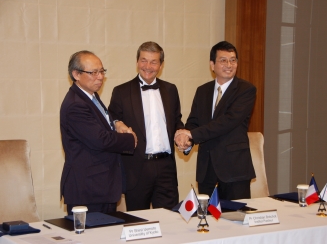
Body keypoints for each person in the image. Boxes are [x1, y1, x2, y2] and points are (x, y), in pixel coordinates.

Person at [175, 41, 257, 200]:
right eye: (223, 60)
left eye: (233, 60)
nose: (229, 64)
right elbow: (194, 121)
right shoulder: (202, 90)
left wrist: (191, 134)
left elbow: (227, 121)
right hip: (207, 171)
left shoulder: (246, 90)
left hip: (235, 170)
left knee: (235, 220)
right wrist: (186, 141)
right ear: (212, 65)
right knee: (207, 220)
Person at [108, 41, 184, 211]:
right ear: (137, 62)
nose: (147, 66)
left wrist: (182, 134)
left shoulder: (171, 90)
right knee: (138, 223)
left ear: (161, 65)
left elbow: (176, 120)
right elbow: (111, 120)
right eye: (143, 60)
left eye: (153, 61)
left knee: (170, 223)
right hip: (136, 168)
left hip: (166, 168)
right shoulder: (121, 91)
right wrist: (117, 124)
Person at [60, 50, 137, 215]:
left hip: (101, 186)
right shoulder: (76, 105)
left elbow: (102, 125)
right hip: (88, 189)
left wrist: (116, 123)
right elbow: (100, 140)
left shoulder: (91, 97)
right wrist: (130, 140)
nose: (100, 77)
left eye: (102, 71)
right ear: (76, 74)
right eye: (93, 72)